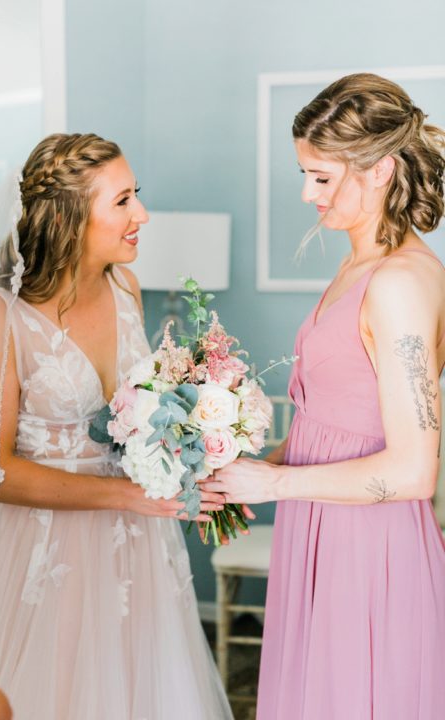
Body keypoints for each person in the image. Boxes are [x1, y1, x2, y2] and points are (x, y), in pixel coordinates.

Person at [0, 133, 234, 719]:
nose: (142, 214)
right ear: (68, 218)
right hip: (48, 549)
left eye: (136, 195)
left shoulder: (125, 289)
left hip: (139, 545)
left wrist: (190, 445)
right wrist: (127, 496)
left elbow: (141, 411)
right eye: (122, 201)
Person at [202, 73, 445, 719]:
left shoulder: (399, 282)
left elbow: (414, 472)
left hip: (368, 548)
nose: (307, 193)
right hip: (319, 525)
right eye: (304, 174)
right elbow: (339, 422)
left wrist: (272, 487)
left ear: (381, 170)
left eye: (321, 177)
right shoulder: (356, 264)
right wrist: (255, 468)